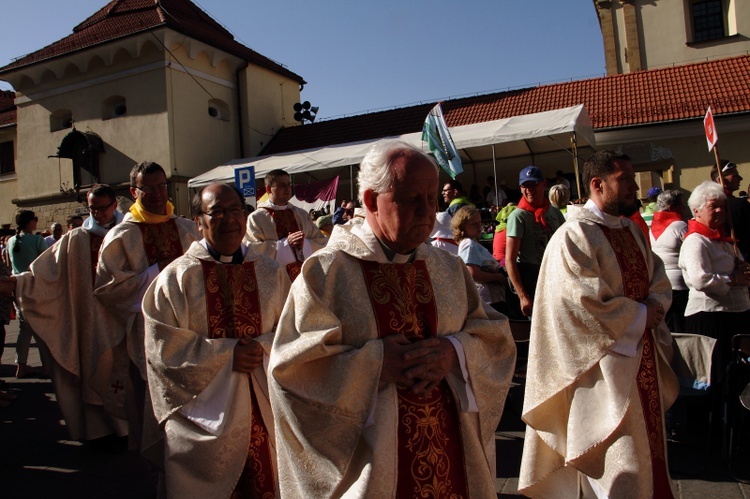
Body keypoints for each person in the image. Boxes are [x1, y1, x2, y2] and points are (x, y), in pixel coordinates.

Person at [269, 139, 516, 498]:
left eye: (432, 198)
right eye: (411, 198)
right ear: (370, 201)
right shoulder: (327, 273)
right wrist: (375, 363)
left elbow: (494, 335)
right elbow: (292, 372)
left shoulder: (446, 267)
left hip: (451, 453)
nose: (426, 211)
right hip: (374, 472)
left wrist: (455, 352)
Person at [519, 150, 678, 498]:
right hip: (601, 376)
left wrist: (654, 306)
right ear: (597, 184)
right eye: (625, 180)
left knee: (648, 463)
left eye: (633, 180)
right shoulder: (575, 236)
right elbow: (579, 305)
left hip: (642, 360)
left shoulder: (633, 233)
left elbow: (659, 280)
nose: (634, 187)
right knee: (620, 469)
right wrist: (639, 316)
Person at [143, 183, 289, 497]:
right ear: (199, 221)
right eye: (216, 212)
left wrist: (261, 349)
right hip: (205, 416)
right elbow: (162, 352)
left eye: (235, 210)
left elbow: (292, 334)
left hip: (265, 410)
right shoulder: (176, 279)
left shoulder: (269, 272)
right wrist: (226, 356)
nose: (229, 220)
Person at [0, 184, 128, 443]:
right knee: (94, 375)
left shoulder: (130, 234)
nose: (99, 214)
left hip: (125, 320)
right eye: (93, 209)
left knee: (125, 378)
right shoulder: (77, 238)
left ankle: (128, 429)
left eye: (103, 208)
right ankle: (99, 432)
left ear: (115, 205)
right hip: (89, 320)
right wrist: (20, 283)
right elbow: (46, 273)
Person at [94, 161, 199, 451]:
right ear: (133, 191)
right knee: (151, 401)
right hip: (146, 332)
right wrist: (156, 271)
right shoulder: (121, 236)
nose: (156, 193)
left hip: (192, 328)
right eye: (148, 188)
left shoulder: (186, 228)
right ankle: (156, 464)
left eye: (161, 186)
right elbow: (108, 290)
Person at [678, 180, 750, 368]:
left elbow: (742, 272)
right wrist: (734, 279)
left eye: (722, 207)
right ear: (696, 211)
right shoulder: (696, 241)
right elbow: (700, 279)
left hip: (735, 314)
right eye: (713, 206)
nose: (720, 211)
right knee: (718, 372)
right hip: (711, 316)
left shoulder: (725, 241)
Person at [244, 169, 327, 281]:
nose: (287, 189)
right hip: (276, 280)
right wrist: (284, 245)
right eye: (282, 185)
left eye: (289, 184)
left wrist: (304, 245)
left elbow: (321, 242)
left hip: (304, 278)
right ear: (269, 189)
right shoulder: (257, 218)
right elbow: (252, 250)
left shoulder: (301, 214)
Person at [505, 166, 565, 319]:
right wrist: (522, 296)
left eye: (534, 184)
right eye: (525, 186)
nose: (529, 189)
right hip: (532, 279)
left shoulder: (555, 213)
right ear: (520, 188)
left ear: (543, 184)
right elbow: (510, 260)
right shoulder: (518, 217)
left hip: (555, 276)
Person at [7, 210, 48, 378]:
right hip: (34, 285)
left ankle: (21, 365)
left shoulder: (11, 241)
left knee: (24, 329)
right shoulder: (38, 240)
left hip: (17, 285)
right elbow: (46, 263)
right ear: (30, 222)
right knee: (41, 327)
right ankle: (46, 365)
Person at [452, 205, 506, 312]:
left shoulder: (473, 243)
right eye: (474, 224)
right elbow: (473, 273)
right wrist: (499, 277)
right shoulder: (468, 245)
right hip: (488, 301)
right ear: (463, 226)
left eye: (479, 222)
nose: (479, 226)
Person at [650, 189, 688, 332]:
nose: (684, 209)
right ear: (672, 207)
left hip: (662, 282)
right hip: (681, 284)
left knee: (671, 327)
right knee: (682, 327)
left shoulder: (652, 226)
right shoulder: (680, 226)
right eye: (682, 205)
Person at [711, 160, 750, 260]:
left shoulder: (707, 205)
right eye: (735, 175)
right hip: (742, 257)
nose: (740, 178)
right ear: (721, 180)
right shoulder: (739, 205)